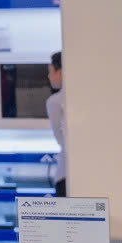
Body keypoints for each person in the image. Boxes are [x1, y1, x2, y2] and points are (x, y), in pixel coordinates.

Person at [45, 51, 67, 196]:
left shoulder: (54, 102)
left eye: (50, 71)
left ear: (60, 71)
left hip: (65, 175)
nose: (49, 76)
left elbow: (61, 139)